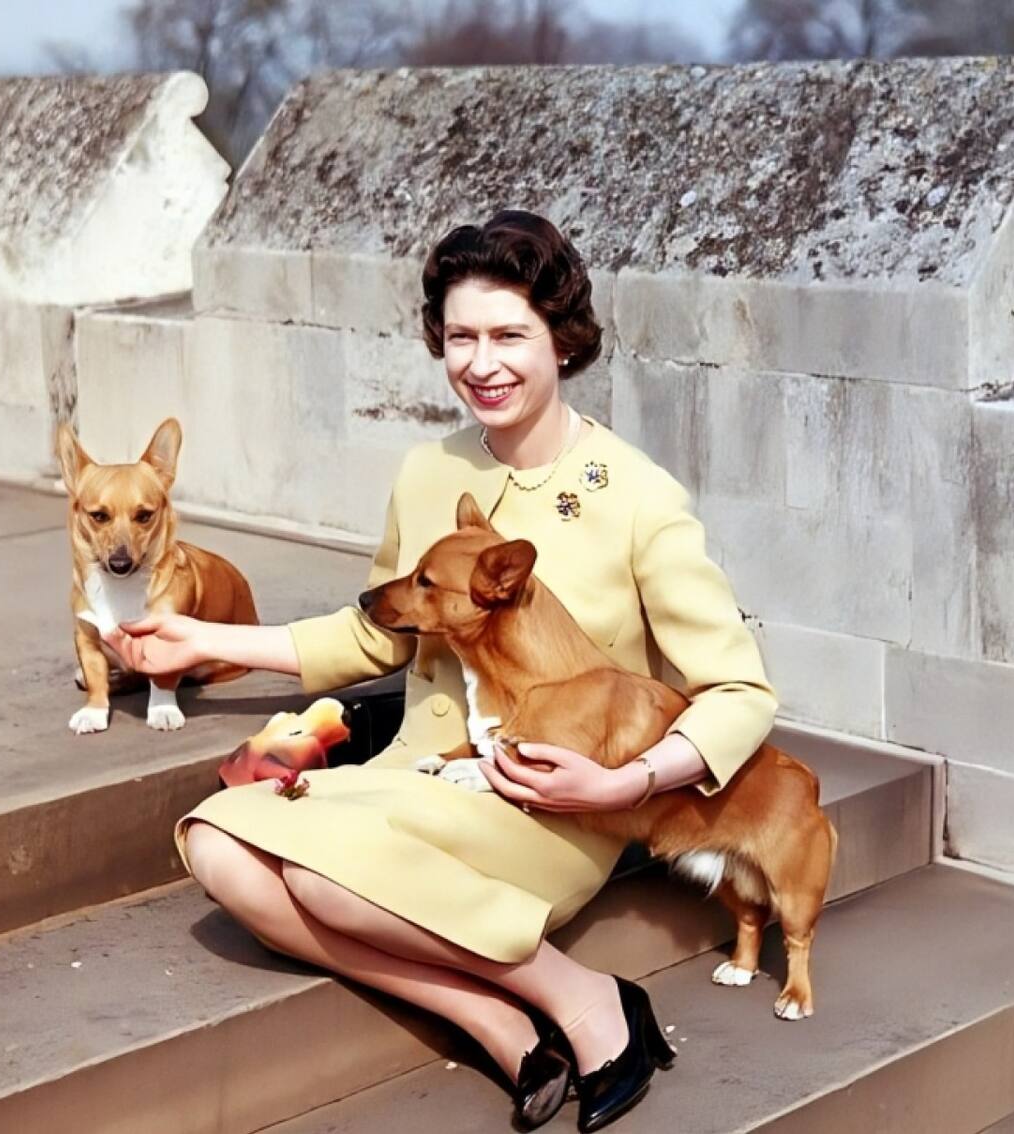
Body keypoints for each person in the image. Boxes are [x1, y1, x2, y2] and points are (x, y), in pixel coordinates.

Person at [101, 211, 777, 1131]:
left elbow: (741, 692)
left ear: (562, 340)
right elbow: (380, 634)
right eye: (462, 337)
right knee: (216, 842)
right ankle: (500, 1021)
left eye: (510, 336)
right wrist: (203, 643)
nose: (482, 363)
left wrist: (624, 778)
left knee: (322, 875)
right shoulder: (430, 470)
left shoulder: (639, 498)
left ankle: (588, 1007)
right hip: (418, 774)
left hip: (555, 803)